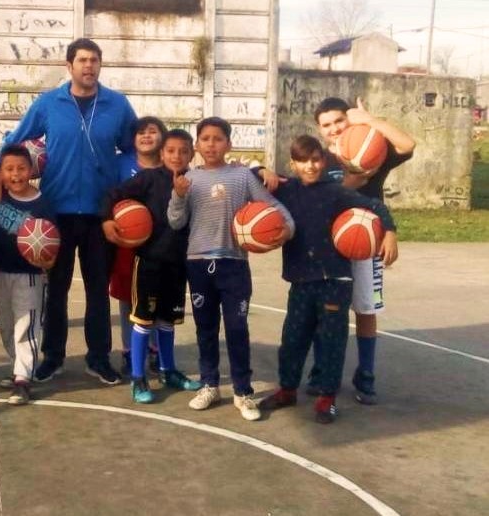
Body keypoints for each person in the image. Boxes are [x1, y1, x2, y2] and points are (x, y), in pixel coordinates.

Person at [0, 38, 137, 385]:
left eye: (94, 60)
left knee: (98, 290)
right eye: (82, 60)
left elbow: (133, 148)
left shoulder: (117, 105)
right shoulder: (49, 103)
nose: (89, 66)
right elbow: (17, 139)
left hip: (101, 213)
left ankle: (98, 358)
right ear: (69, 66)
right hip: (56, 213)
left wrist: (134, 186)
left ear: (100, 65)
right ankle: (52, 357)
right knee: (55, 289)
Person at [259, 135, 398, 423]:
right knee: (293, 338)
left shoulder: (336, 192)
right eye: (302, 161)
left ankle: (327, 398)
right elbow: (248, 176)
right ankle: (287, 389)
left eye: (315, 159)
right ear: (292, 163)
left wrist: (390, 232)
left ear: (323, 161)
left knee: (332, 340)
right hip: (301, 279)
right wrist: (261, 170)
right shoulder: (286, 189)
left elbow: (376, 206)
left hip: (335, 279)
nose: (309, 166)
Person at [167, 117, 294, 421]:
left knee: (237, 328)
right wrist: (178, 196)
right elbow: (175, 221)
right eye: (205, 139)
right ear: (197, 146)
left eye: (218, 138)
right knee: (206, 328)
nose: (211, 144)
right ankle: (209, 385)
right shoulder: (188, 180)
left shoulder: (242, 177)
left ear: (229, 144)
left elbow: (273, 206)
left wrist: (287, 228)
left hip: (234, 264)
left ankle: (243, 391)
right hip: (198, 263)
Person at [309, 97, 414, 404]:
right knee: (327, 311)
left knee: (366, 309)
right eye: (326, 125)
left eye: (339, 120)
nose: (334, 128)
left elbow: (407, 144)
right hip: (330, 245)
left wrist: (369, 120)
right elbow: (315, 202)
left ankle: (365, 374)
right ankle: (321, 370)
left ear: (350, 119)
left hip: (367, 240)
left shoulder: (372, 147)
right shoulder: (319, 161)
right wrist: (349, 185)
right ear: (319, 129)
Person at [101, 129, 202, 404]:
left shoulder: (196, 181)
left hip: (178, 263)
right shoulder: (148, 178)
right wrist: (107, 219)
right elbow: (112, 194)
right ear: (162, 153)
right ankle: (138, 377)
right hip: (148, 260)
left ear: (192, 154)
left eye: (183, 151)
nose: (177, 156)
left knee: (168, 321)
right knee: (144, 320)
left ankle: (168, 370)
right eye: (171, 150)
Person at [0, 145, 56, 405]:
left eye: (21, 168)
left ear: (31, 170)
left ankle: (23, 378)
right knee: (7, 325)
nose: (15, 174)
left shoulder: (42, 204)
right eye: (9, 169)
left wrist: (47, 261)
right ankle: (18, 366)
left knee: (26, 325)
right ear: (0, 172)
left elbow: (52, 243)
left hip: (29, 274)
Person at [111, 116, 166, 377]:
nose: (146, 136)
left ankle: (155, 349)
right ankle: (129, 350)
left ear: (163, 137)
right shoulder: (120, 163)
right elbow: (108, 194)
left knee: (157, 296)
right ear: (132, 139)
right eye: (141, 132)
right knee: (127, 298)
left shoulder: (171, 164)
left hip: (160, 242)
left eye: (152, 131)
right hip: (128, 242)